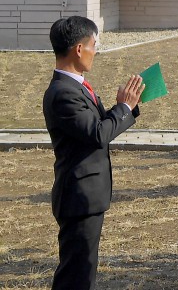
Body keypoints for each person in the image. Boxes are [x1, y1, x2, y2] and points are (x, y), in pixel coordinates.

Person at [44, 17, 144, 290]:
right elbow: (98, 134)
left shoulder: (76, 86)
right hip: (78, 197)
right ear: (79, 49)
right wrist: (123, 108)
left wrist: (127, 107)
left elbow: (98, 129)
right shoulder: (63, 93)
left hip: (88, 196)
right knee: (75, 276)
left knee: (83, 270)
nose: (95, 51)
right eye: (93, 45)